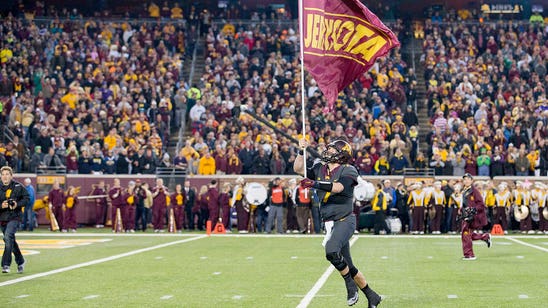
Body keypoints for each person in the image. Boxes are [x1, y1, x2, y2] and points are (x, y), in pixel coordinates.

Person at [295, 139, 382, 307]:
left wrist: (314, 183)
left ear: (342, 154)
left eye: (332, 149)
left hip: (345, 220)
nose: (327, 152)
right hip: (329, 222)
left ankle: (350, 286)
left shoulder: (349, 170)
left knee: (331, 251)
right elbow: (298, 169)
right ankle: (372, 296)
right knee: (349, 265)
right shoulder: (320, 168)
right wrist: (301, 151)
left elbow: (338, 187)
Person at [1, 166, 30, 273]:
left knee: (8, 236)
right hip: (2, 217)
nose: (5, 176)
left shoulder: (18, 186)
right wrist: (1, 205)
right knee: (10, 239)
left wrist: (17, 204)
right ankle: (21, 261)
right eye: (3, 174)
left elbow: (27, 198)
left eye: (7, 174)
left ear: (11, 176)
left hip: (15, 216)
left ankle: (5, 264)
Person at [459, 173, 491, 260]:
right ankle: (484, 236)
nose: (466, 181)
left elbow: (481, 204)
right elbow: (465, 204)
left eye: (468, 179)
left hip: (472, 216)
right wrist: (460, 210)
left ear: (471, 181)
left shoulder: (474, 191)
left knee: (466, 234)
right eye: (464, 179)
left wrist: (473, 210)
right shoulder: (464, 190)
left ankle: (469, 254)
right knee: (466, 234)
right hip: (466, 215)